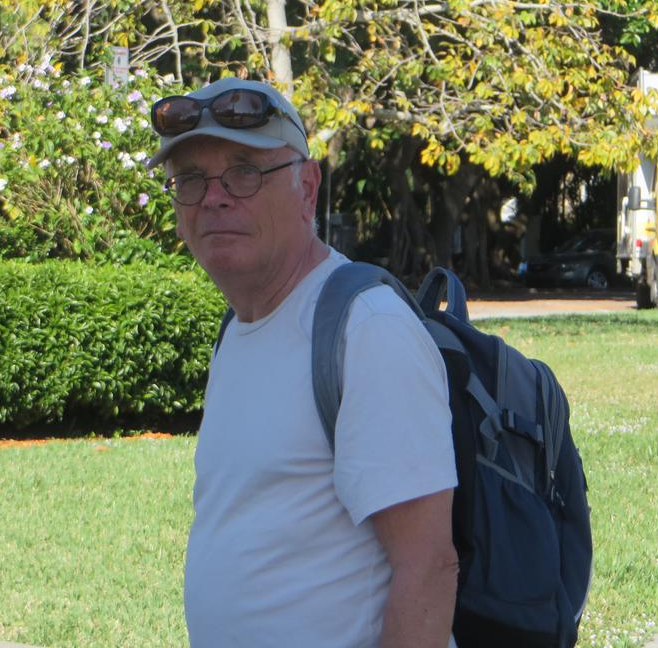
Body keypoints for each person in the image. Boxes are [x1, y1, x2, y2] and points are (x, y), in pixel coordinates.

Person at [151, 77, 458, 648]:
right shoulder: (238, 326)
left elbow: (428, 566)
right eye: (190, 179)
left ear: (308, 188)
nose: (213, 198)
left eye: (244, 171)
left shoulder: (367, 329)